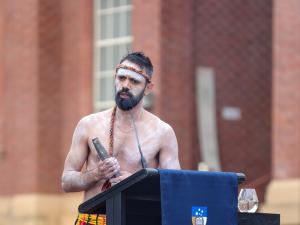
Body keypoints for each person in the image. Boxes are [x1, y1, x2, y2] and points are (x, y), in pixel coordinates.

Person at [61, 51, 180, 225]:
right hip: (94, 220)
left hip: (138, 220)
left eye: (134, 81)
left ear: (148, 88)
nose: (125, 85)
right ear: (115, 79)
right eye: (121, 78)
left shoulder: (162, 132)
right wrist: (96, 174)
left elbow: (174, 188)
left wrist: (136, 183)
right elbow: (66, 182)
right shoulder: (88, 124)